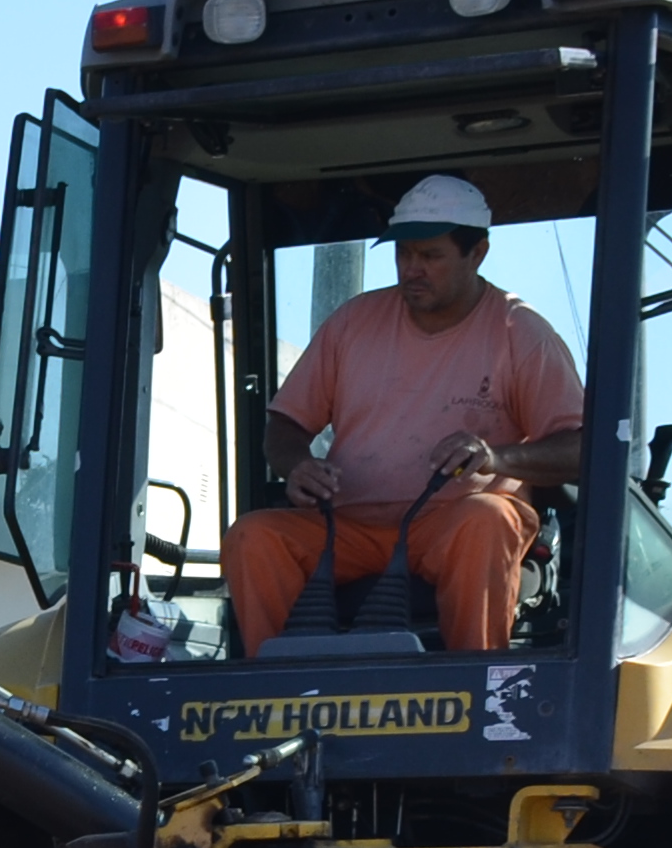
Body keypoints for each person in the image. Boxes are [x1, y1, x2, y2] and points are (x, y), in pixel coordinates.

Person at [219, 173, 585, 658]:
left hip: (453, 525)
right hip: (347, 527)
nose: (412, 269)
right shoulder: (352, 322)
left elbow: (580, 449)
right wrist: (298, 465)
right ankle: (274, 690)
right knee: (253, 537)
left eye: (430, 256)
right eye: (403, 254)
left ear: (477, 254)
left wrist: (495, 457)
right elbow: (285, 426)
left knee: (487, 518)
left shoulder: (522, 333)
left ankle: (474, 685)